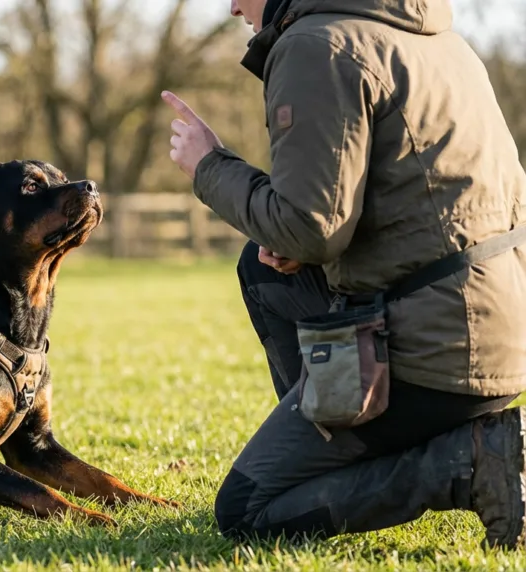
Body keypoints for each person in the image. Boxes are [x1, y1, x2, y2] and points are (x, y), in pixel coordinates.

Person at [161, 0, 526, 548]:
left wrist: (210, 165)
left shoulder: (318, 45)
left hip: (437, 354)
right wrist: (306, 248)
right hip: (499, 335)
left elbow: (309, 228)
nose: (232, 5)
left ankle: (472, 462)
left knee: (247, 509)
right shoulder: (441, 42)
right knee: (265, 273)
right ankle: (344, 439)